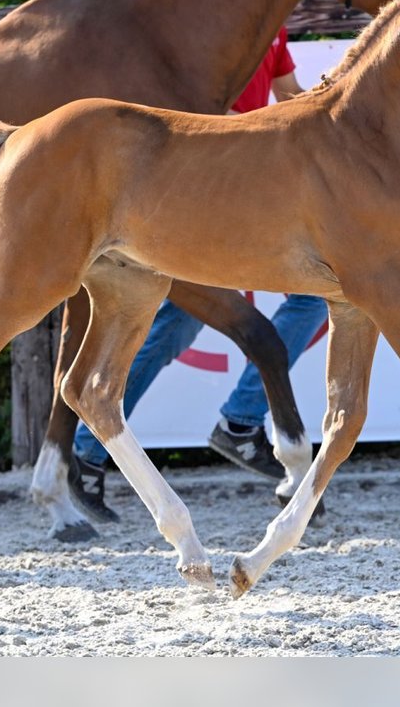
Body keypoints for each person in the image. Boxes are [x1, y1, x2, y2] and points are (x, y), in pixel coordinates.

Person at [69, 28, 328, 523]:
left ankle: (91, 449)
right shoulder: (225, 30)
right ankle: (239, 420)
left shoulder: (272, 31)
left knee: (178, 322)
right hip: (206, 189)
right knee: (302, 298)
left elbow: (288, 94)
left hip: (248, 182)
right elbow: (200, 108)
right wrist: (261, 128)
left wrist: (322, 100)